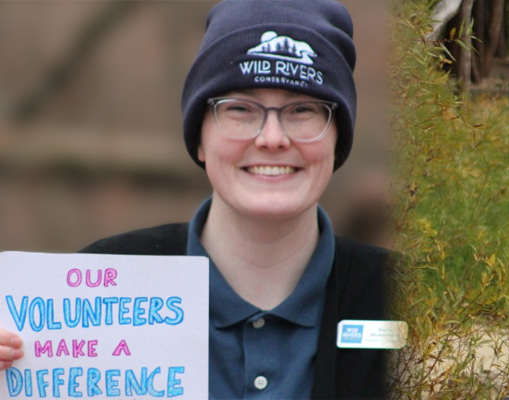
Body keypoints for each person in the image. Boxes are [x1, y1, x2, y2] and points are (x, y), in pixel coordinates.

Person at [0, 1, 396, 399]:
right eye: (240, 109)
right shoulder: (87, 301)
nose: (272, 138)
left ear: (337, 138)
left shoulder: (415, 299)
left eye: (303, 109)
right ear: (200, 138)